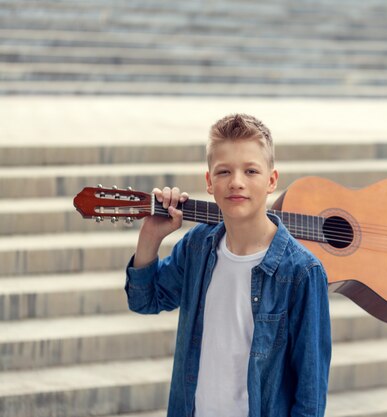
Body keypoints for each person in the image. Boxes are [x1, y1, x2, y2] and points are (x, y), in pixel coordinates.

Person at [125, 114, 332, 417]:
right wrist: (151, 236)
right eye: (224, 171)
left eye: (250, 170)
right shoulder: (198, 247)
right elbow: (144, 300)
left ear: (272, 180)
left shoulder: (302, 273)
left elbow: (310, 395)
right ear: (209, 182)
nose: (236, 182)